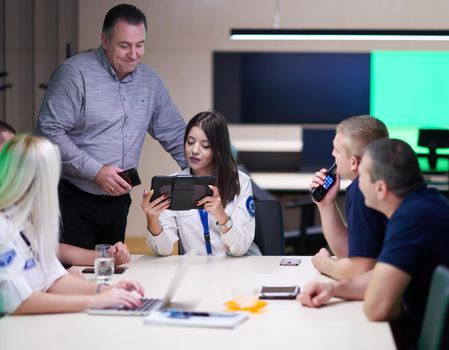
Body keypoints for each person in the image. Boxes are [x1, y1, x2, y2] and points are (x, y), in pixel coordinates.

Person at [298, 139, 449, 349]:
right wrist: (333, 288)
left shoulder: (411, 219)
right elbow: (380, 276)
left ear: (381, 188)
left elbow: (377, 307)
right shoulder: (425, 202)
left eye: (362, 177)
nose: (356, 185)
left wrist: (388, 297)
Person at [36, 4, 187, 250]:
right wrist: (95, 170)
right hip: (72, 198)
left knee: (111, 273)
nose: (134, 54)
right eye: (124, 45)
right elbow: (48, 133)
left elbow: (174, 133)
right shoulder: (74, 74)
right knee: (76, 277)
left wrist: (206, 175)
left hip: (118, 203)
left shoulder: (150, 82)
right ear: (104, 41)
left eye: (140, 45)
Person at [0, 135, 144, 315]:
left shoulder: (30, 223)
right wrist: (95, 301)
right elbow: (18, 302)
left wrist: (107, 290)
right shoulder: (3, 227)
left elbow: (54, 279)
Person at [142, 111, 260, 256]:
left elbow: (239, 249)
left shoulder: (240, 181)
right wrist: (152, 220)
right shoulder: (173, 184)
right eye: (190, 142)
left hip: (232, 271)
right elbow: (163, 251)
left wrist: (221, 216)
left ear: (218, 150)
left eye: (205, 145)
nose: (195, 150)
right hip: (194, 273)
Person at [310, 115, 388, 280]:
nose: (332, 154)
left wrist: (322, 262)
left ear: (354, 162)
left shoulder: (363, 190)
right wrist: (326, 204)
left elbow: (359, 272)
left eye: (337, 150)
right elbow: (352, 254)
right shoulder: (390, 179)